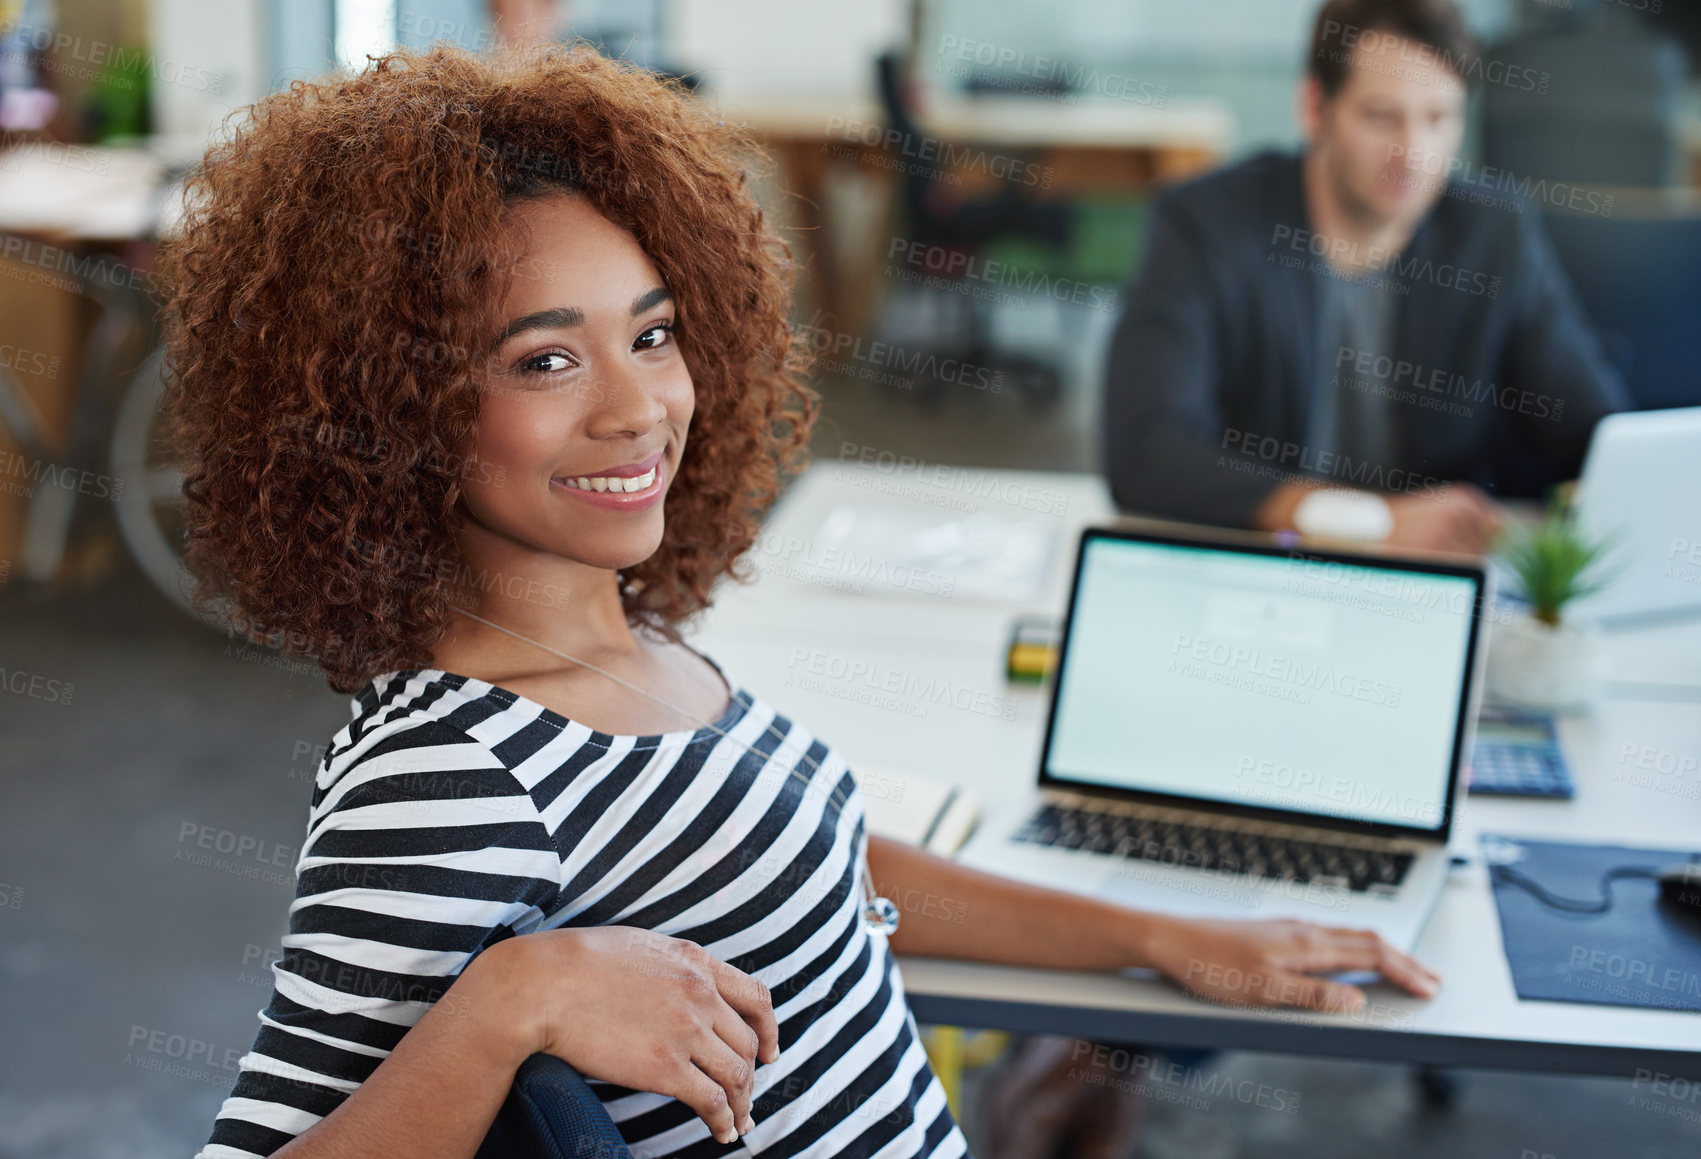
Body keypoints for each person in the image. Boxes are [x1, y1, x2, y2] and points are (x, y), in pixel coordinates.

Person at [168, 43, 1442, 1159]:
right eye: (544, 358)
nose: (636, 405)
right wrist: (512, 1003)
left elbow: (826, 871)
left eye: (653, 334)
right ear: (386, 412)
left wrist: (1165, 936)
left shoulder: (635, 646)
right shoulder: (446, 772)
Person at [1103, 0, 1629, 556]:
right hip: (1265, 563)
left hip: (1430, 578)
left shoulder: (1493, 233)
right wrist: (1366, 520)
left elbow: (1597, 438)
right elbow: (1146, 452)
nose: (1413, 155)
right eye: (1382, 117)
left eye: (1438, 119)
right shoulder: (1206, 226)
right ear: (1314, 107)